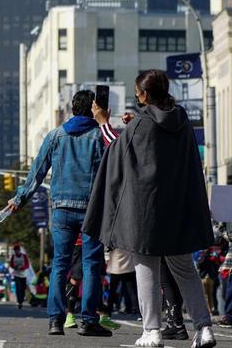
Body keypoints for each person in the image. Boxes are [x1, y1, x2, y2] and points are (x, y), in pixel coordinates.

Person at [84, 69, 217, 348]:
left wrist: (103, 122)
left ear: (144, 95)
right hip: (177, 208)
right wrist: (136, 124)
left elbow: (116, 147)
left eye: (137, 92)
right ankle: (204, 328)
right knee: (185, 270)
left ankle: (151, 331)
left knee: (146, 266)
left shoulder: (140, 125)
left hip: (146, 210)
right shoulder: (181, 121)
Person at [8, 89, 110, 337]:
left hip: (62, 210)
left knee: (59, 265)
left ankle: (56, 320)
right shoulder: (99, 136)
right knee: (91, 265)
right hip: (91, 209)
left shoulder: (55, 135)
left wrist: (20, 198)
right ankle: (88, 320)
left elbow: (37, 172)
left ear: (72, 109)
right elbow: (116, 167)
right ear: (94, 109)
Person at [9, 242, 32, 309]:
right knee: (18, 288)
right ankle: (19, 302)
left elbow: (27, 265)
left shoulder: (24, 256)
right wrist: (15, 267)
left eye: (17, 250)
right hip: (17, 274)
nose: (16, 252)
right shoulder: (13, 256)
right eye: (15, 250)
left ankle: (21, 300)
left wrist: (22, 267)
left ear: (19, 250)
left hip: (23, 274)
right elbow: (11, 264)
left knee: (22, 288)